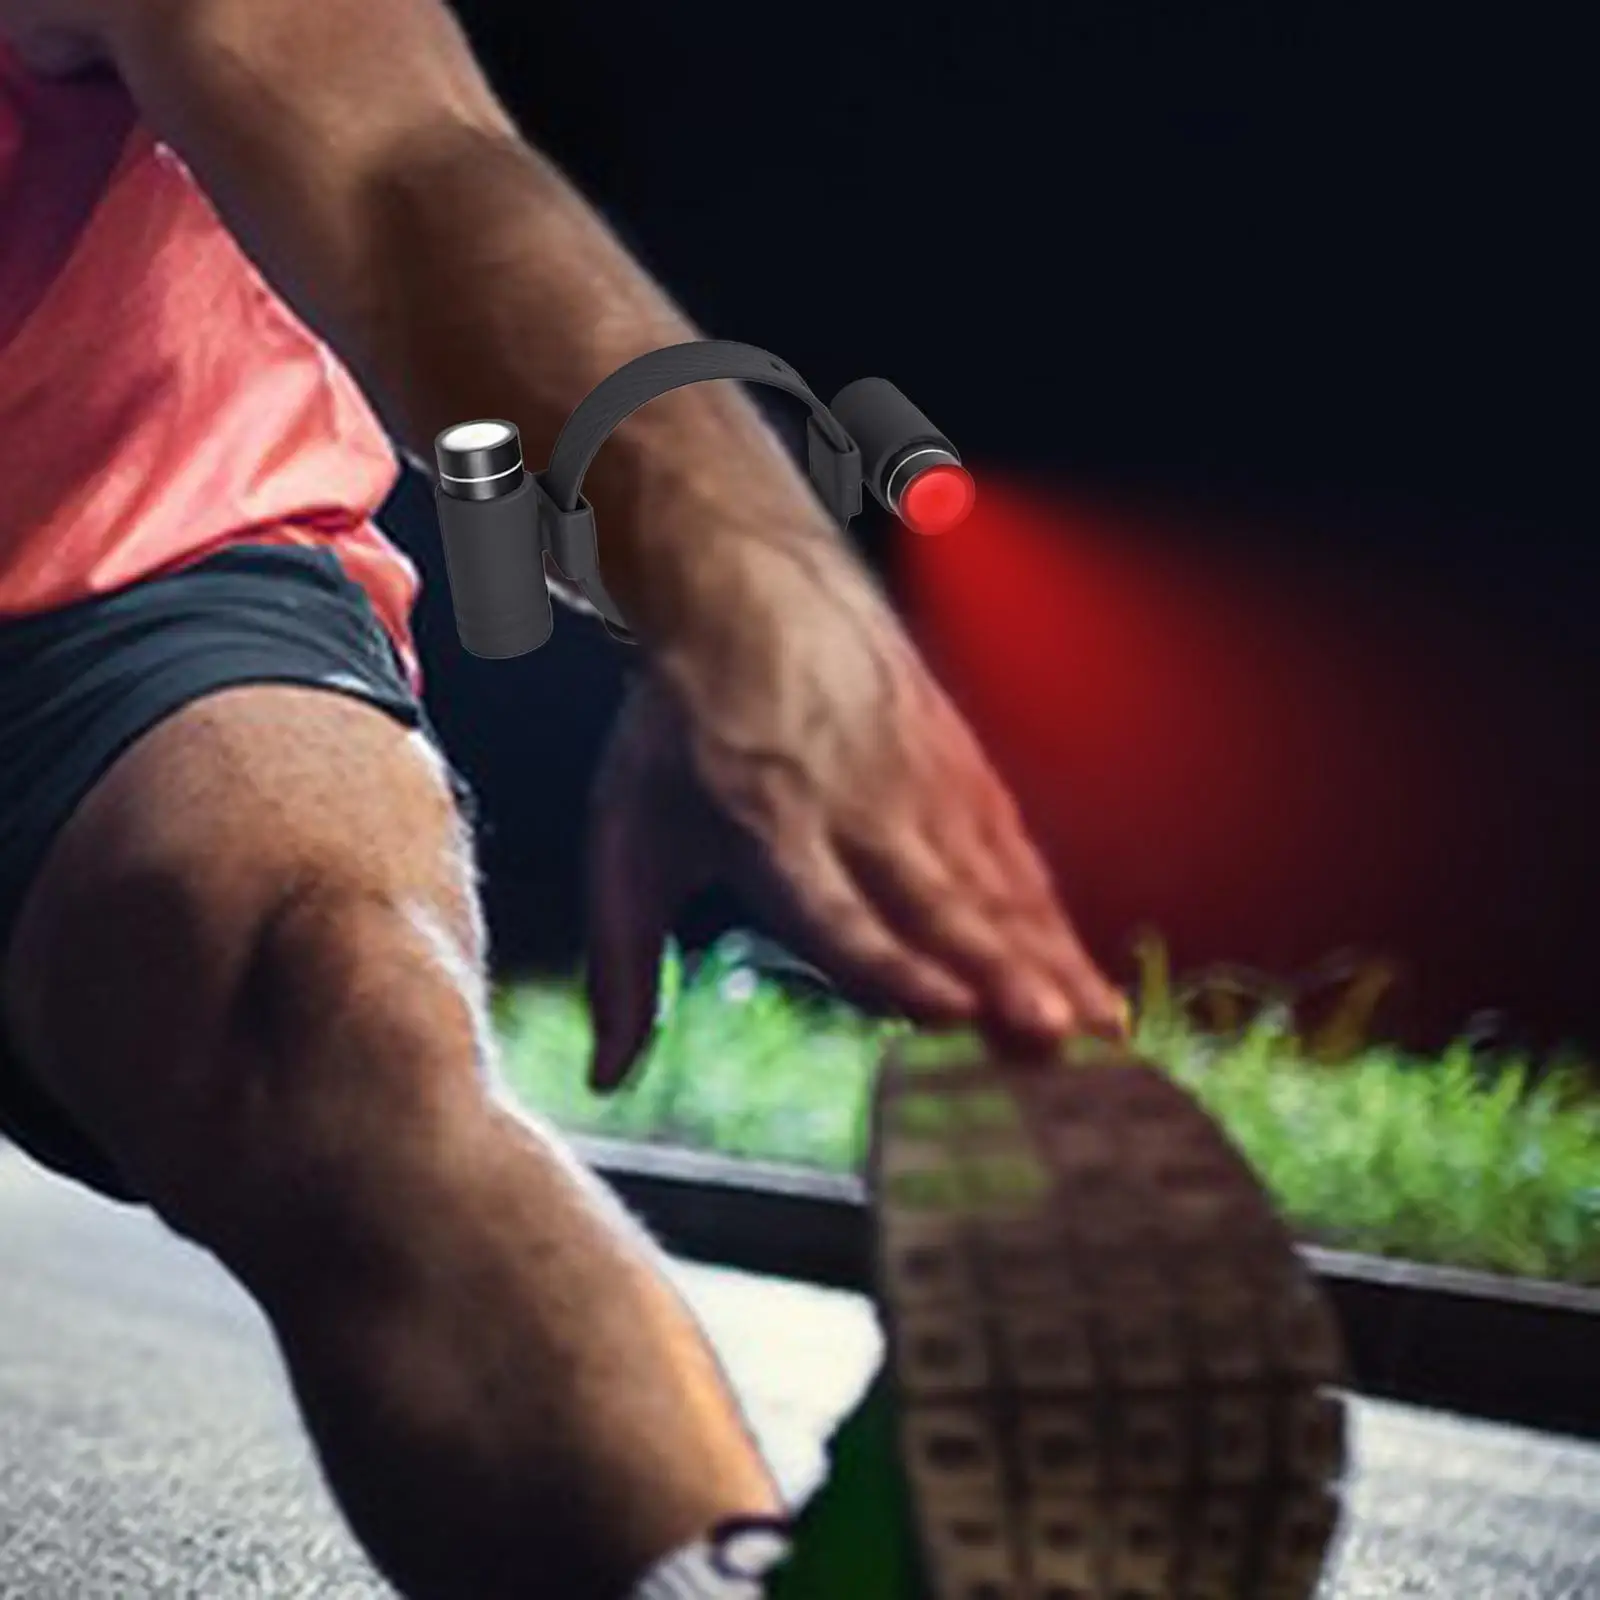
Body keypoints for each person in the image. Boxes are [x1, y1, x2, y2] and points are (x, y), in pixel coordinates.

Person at [0, 2, 1346, 1596]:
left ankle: (706, 1577)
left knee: (331, 995)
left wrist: (737, 583)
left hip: (109, 554)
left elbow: (400, 151)